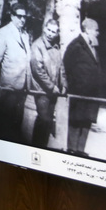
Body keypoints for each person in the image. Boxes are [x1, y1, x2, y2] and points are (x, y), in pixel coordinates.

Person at [0, 3, 31, 143]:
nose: (22, 20)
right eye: (19, 16)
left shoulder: (25, 35)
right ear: (12, 16)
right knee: (4, 124)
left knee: (17, 124)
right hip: (8, 86)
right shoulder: (3, 32)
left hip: (23, 87)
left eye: (24, 17)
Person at [63, 18, 102, 157]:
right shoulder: (76, 45)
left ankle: (80, 150)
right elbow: (66, 66)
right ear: (88, 30)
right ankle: (72, 150)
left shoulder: (93, 46)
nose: (98, 33)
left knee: (86, 121)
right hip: (79, 92)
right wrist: (72, 85)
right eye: (96, 30)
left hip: (92, 94)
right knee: (76, 120)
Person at [29, 19, 67, 149]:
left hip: (53, 92)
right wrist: (52, 87)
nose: (51, 34)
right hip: (42, 91)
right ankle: (35, 149)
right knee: (44, 119)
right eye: (49, 30)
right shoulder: (37, 46)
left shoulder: (56, 48)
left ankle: (41, 149)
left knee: (48, 122)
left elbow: (61, 69)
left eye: (54, 31)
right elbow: (38, 71)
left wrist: (64, 85)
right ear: (44, 29)